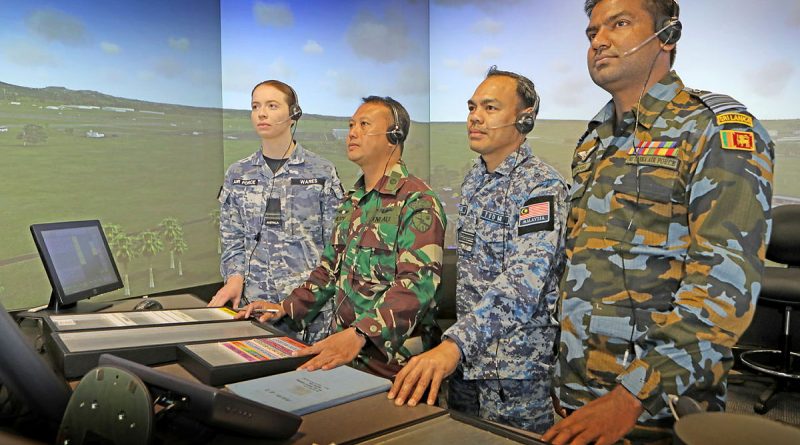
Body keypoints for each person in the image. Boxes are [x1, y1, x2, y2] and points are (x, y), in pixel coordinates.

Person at [543, 1, 774, 444]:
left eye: (620, 23)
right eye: (592, 32)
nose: (599, 41)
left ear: (667, 34)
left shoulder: (715, 129)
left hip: (655, 406)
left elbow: (723, 290)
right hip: (578, 388)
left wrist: (631, 396)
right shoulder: (597, 137)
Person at [388, 67, 568, 434]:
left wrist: (454, 345)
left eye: (490, 107)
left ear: (525, 118)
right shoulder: (475, 177)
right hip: (467, 362)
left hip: (512, 372)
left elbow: (523, 285)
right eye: (472, 107)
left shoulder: (540, 187)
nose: (475, 117)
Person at [237, 96, 446, 378]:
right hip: (343, 357)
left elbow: (416, 285)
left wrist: (360, 334)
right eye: (351, 125)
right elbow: (328, 272)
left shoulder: (417, 201)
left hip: (395, 367)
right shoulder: (352, 202)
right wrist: (285, 308)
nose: (352, 132)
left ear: (393, 135)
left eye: (364, 124)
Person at [210, 80, 343, 344]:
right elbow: (232, 239)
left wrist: (303, 301)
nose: (262, 113)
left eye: (272, 106)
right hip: (251, 312)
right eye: (255, 106)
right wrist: (234, 278)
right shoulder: (238, 174)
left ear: (294, 114)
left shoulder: (321, 172)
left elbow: (336, 250)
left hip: (309, 316)